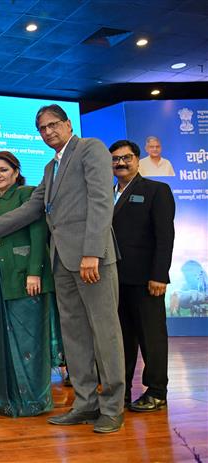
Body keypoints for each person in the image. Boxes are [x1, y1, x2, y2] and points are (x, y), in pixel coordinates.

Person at [0, 104, 125, 433]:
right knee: (74, 336)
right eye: (42, 128)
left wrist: (92, 252)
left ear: (67, 124)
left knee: (104, 334)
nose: (48, 132)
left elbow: (100, 200)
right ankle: (84, 403)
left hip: (91, 259)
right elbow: (32, 208)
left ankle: (112, 407)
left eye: (54, 125)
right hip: (62, 263)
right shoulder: (51, 168)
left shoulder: (90, 149)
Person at [0, 151, 63, 417]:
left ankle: (32, 401)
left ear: (16, 172)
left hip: (23, 278)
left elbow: (38, 233)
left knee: (28, 340)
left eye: (3, 170)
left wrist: (34, 272)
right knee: (0, 338)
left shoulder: (27, 195)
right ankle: (3, 399)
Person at [110, 139, 175, 412]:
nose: (121, 163)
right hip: (113, 281)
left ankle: (157, 391)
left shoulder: (156, 190)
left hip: (147, 280)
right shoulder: (104, 193)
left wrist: (159, 275)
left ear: (137, 160)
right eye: (115, 159)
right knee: (121, 338)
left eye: (126, 158)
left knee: (152, 337)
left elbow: (165, 237)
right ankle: (120, 391)